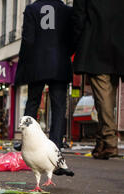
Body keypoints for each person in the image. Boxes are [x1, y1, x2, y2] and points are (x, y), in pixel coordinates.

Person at [14, 0, 74, 150]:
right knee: (59, 106)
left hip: (37, 62)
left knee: (32, 102)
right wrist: (66, 52)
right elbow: (74, 35)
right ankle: (56, 144)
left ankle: (27, 142)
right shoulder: (67, 10)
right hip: (60, 62)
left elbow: (28, 40)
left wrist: (25, 63)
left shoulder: (31, 9)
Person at [72, 0, 124, 159]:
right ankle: (101, 143)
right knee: (108, 98)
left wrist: (75, 44)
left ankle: (108, 141)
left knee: (103, 98)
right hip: (119, 44)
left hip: (96, 45)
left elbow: (78, 18)